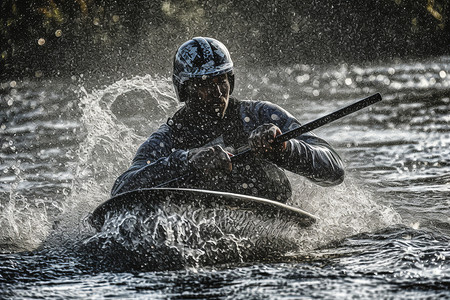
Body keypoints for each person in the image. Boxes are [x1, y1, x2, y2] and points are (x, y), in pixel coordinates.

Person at [111, 37, 344, 202]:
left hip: (272, 210)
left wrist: (284, 149)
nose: (217, 92)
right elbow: (122, 189)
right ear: (184, 90)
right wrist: (187, 161)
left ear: (230, 81)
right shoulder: (167, 139)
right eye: (203, 84)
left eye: (220, 81)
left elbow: (334, 169)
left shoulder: (259, 115)